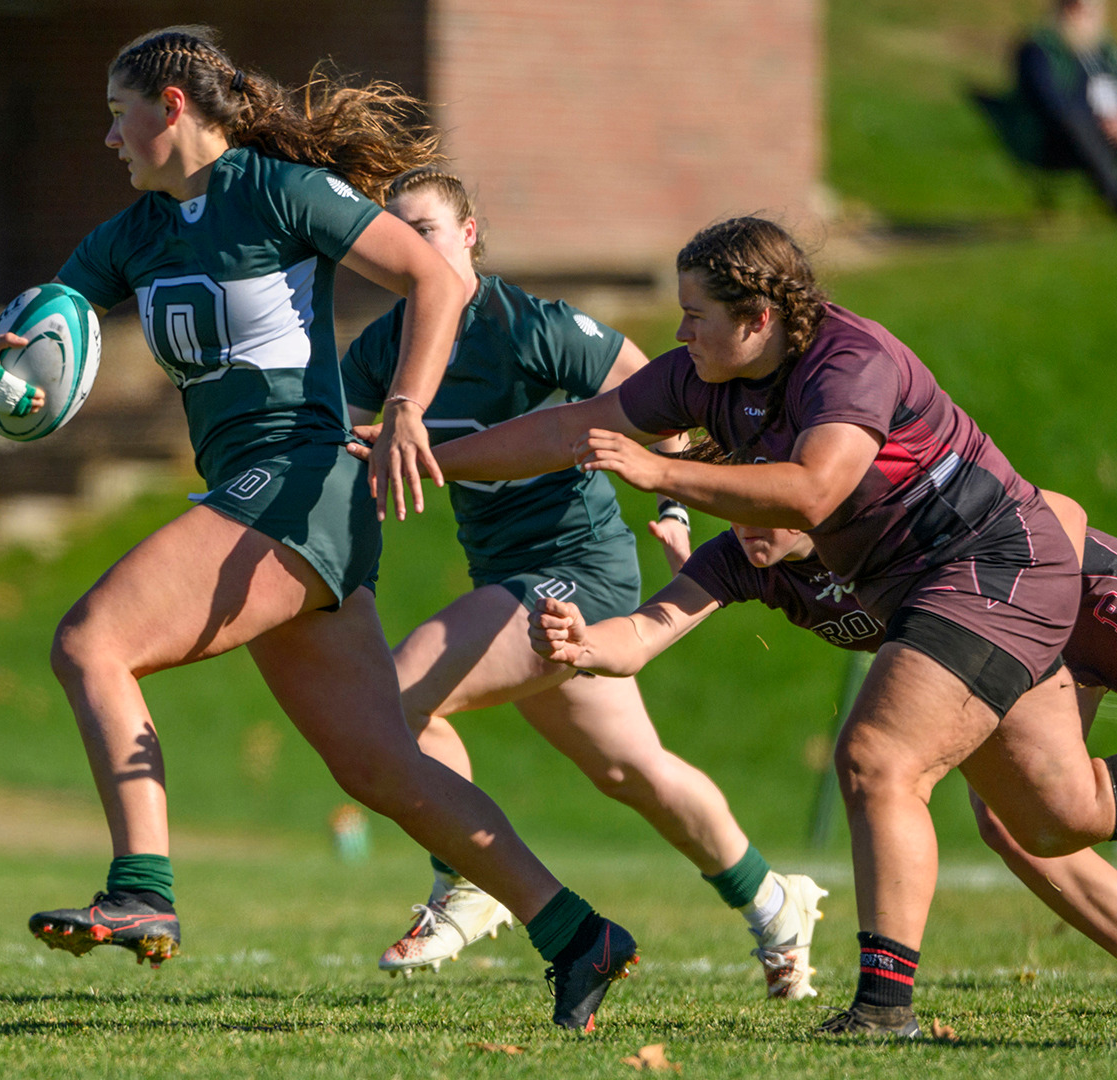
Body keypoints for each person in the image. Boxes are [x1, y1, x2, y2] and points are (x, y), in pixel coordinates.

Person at [413, 215, 1117, 1037]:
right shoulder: (714, 418)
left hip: (1018, 567)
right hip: (961, 600)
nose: (679, 335)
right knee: (1046, 818)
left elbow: (816, 489)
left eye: (694, 316)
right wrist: (420, 455)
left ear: (758, 318)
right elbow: (570, 442)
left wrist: (662, 471)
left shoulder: (848, 361)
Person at [0, 26, 634, 1029]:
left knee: (92, 644)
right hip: (262, 492)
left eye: (119, 114)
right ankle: (577, 935)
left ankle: (142, 889)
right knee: (380, 767)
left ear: (173, 107)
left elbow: (439, 281)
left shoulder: (279, 191)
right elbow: (42, 339)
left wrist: (405, 406)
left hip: (302, 482)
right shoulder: (130, 235)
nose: (109, 137)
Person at [533, 485, 1117, 1033]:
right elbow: (645, 635)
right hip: (1010, 654)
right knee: (1032, 819)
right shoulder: (746, 558)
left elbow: (1057, 509)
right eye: (723, 502)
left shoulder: (880, 503)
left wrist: (1031, 604)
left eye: (754, 498)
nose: (739, 522)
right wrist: (583, 641)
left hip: (1090, 596)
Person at [336, 170, 827, 998]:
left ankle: (466, 878)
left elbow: (664, 399)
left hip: (579, 571)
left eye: (425, 230)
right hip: (502, 575)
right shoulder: (384, 346)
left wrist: (676, 504)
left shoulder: (531, 325)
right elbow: (336, 439)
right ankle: (777, 904)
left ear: (469, 235)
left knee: (398, 696)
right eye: (394, 235)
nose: (406, 248)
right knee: (634, 772)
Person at [1011, 0, 1117, 213]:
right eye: (1075, 8)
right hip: (1059, 139)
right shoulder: (1038, 49)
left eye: (1089, 9)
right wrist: (1100, 121)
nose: (1082, 16)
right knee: (1078, 122)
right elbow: (1052, 103)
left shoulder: (1110, 53)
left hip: (1115, 129)